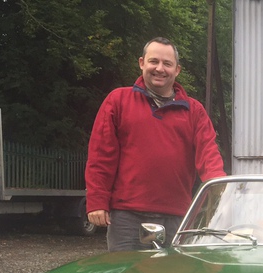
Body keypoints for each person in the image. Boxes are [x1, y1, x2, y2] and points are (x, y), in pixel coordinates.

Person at [86, 37, 226, 251]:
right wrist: (97, 201)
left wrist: (220, 190)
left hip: (177, 218)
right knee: (124, 272)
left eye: (167, 64)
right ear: (142, 63)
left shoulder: (195, 111)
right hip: (126, 218)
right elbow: (101, 155)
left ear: (177, 70)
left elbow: (209, 155)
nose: (160, 69)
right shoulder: (117, 101)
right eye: (154, 61)